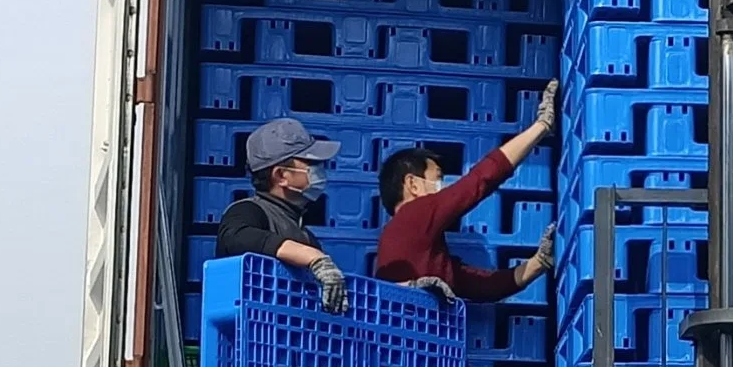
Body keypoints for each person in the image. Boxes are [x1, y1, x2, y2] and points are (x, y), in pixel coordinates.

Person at [374, 81, 558, 301]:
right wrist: (542, 126)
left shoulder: (422, 252)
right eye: (438, 177)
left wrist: (540, 261)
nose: (444, 186)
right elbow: (479, 181)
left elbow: (486, 286)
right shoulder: (413, 215)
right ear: (413, 185)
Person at [214, 117, 348, 312]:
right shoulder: (248, 211)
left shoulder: (304, 234)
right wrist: (313, 257)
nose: (319, 170)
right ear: (281, 175)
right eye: (311, 162)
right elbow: (235, 237)